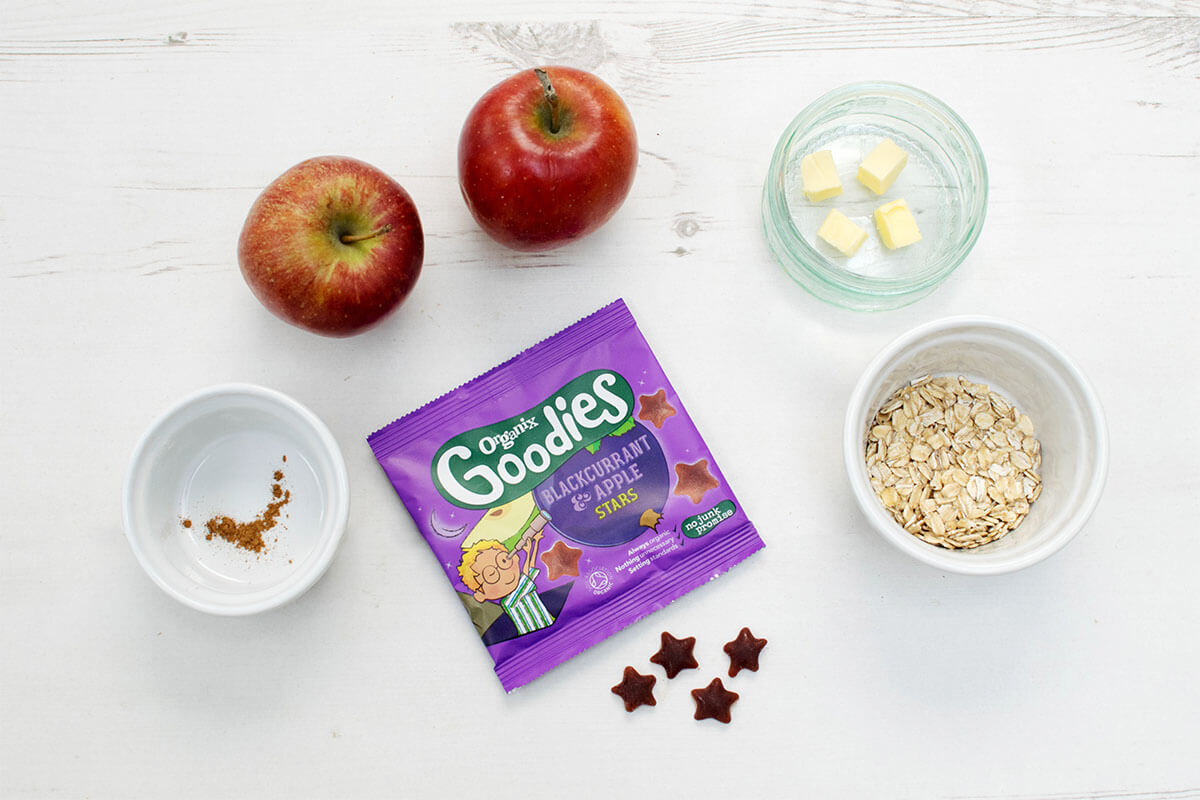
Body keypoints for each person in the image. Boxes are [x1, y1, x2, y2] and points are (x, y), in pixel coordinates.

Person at [458, 527, 554, 636]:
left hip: (550, 622)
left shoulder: (522, 585)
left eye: (502, 559)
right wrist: (528, 552)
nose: (503, 569)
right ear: (481, 595)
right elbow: (526, 575)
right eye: (491, 574)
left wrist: (535, 543)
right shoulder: (508, 602)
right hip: (532, 636)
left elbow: (530, 569)